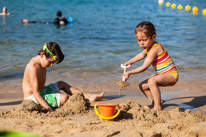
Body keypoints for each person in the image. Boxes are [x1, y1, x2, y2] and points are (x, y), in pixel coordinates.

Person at [22, 42, 104, 112]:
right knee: (64, 98)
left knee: (61, 83)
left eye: (53, 63)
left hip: (42, 92)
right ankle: (51, 103)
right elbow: (36, 93)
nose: (51, 65)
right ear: (42, 55)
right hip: (32, 99)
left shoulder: (42, 64)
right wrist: (47, 108)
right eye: (50, 62)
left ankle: (88, 96)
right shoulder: (32, 67)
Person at [122, 21, 178, 110]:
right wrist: (130, 62)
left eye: (144, 40)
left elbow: (144, 67)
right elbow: (141, 55)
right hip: (162, 74)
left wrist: (129, 73)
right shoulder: (149, 46)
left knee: (151, 81)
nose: (142, 43)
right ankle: (154, 103)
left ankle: (157, 106)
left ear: (153, 37)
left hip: (171, 75)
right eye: (139, 40)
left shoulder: (155, 48)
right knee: (143, 86)